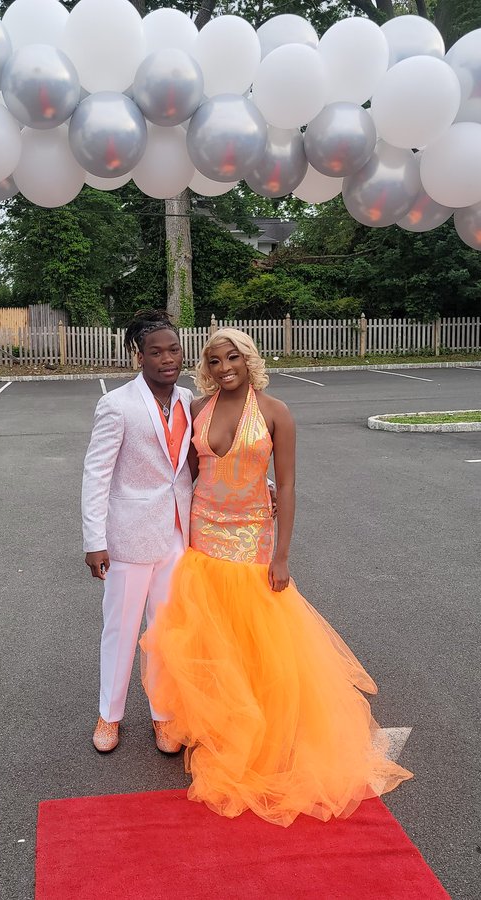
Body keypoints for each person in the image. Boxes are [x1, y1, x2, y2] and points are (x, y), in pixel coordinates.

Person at [141, 328, 412, 827]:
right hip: (203, 536)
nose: (225, 367)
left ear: (249, 360)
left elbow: (285, 487)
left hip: (251, 539)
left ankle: (260, 722)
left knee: (255, 633)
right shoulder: (196, 408)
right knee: (210, 631)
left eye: (233, 358)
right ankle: (217, 719)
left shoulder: (275, 413)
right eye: (215, 360)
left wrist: (281, 555)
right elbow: (184, 473)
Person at [82, 311, 194, 755]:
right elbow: (96, 475)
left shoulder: (189, 399)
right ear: (139, 356)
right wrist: (94, 540)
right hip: (128, 536)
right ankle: (109, 715)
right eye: (156, 352)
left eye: (174, 350)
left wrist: (263, 487)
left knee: (166, 631)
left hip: (177, 534)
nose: (167, 359)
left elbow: (206, 457)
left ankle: (163, 715)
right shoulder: (117, 404)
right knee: (121, 629)